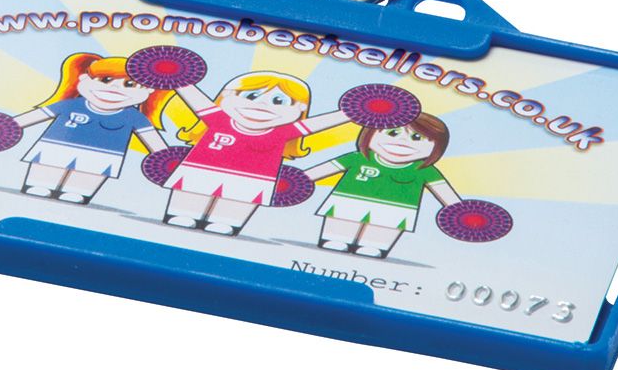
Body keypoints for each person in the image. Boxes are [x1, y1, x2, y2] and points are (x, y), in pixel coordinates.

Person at [164, 71, 348, 236]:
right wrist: (175, 73)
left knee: (240, 199)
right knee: (192, 191)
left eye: (279, 101)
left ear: (300, 107)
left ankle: (226, 221)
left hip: (253, 177)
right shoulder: (220, 119)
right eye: (251, 96)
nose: (262, 104)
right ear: (227, 95)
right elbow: (194, 98)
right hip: (202, 168)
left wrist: (351, 113)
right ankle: (183, 213)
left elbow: (316, 124)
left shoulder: (281, 132)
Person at [12, 53, 172, 204]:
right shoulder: (70, 105)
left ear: (149, 90)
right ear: (84, 78)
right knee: (47, 165)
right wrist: (6, 126)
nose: (115, 88)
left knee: (90, 173)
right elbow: (33, 117)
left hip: (103, 154)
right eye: (105, 80)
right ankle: (40, 184)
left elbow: (152, 140)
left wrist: (167, 160)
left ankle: (78, 191)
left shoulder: (134, 117)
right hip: (56, 145)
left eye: (129, 84)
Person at [304, 113, 461, 259]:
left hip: (396, 208)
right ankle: (336, 238)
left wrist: (461, 212)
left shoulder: (424, 170)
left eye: (417, 137)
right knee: (342, 220)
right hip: (348, 200)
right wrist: (298, 180)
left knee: (385, 228)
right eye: (393, 133)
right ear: (369, 134)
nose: (402, 141)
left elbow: (443, 190)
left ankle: (374, 245)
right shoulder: (359, 158)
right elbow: (322, 170)